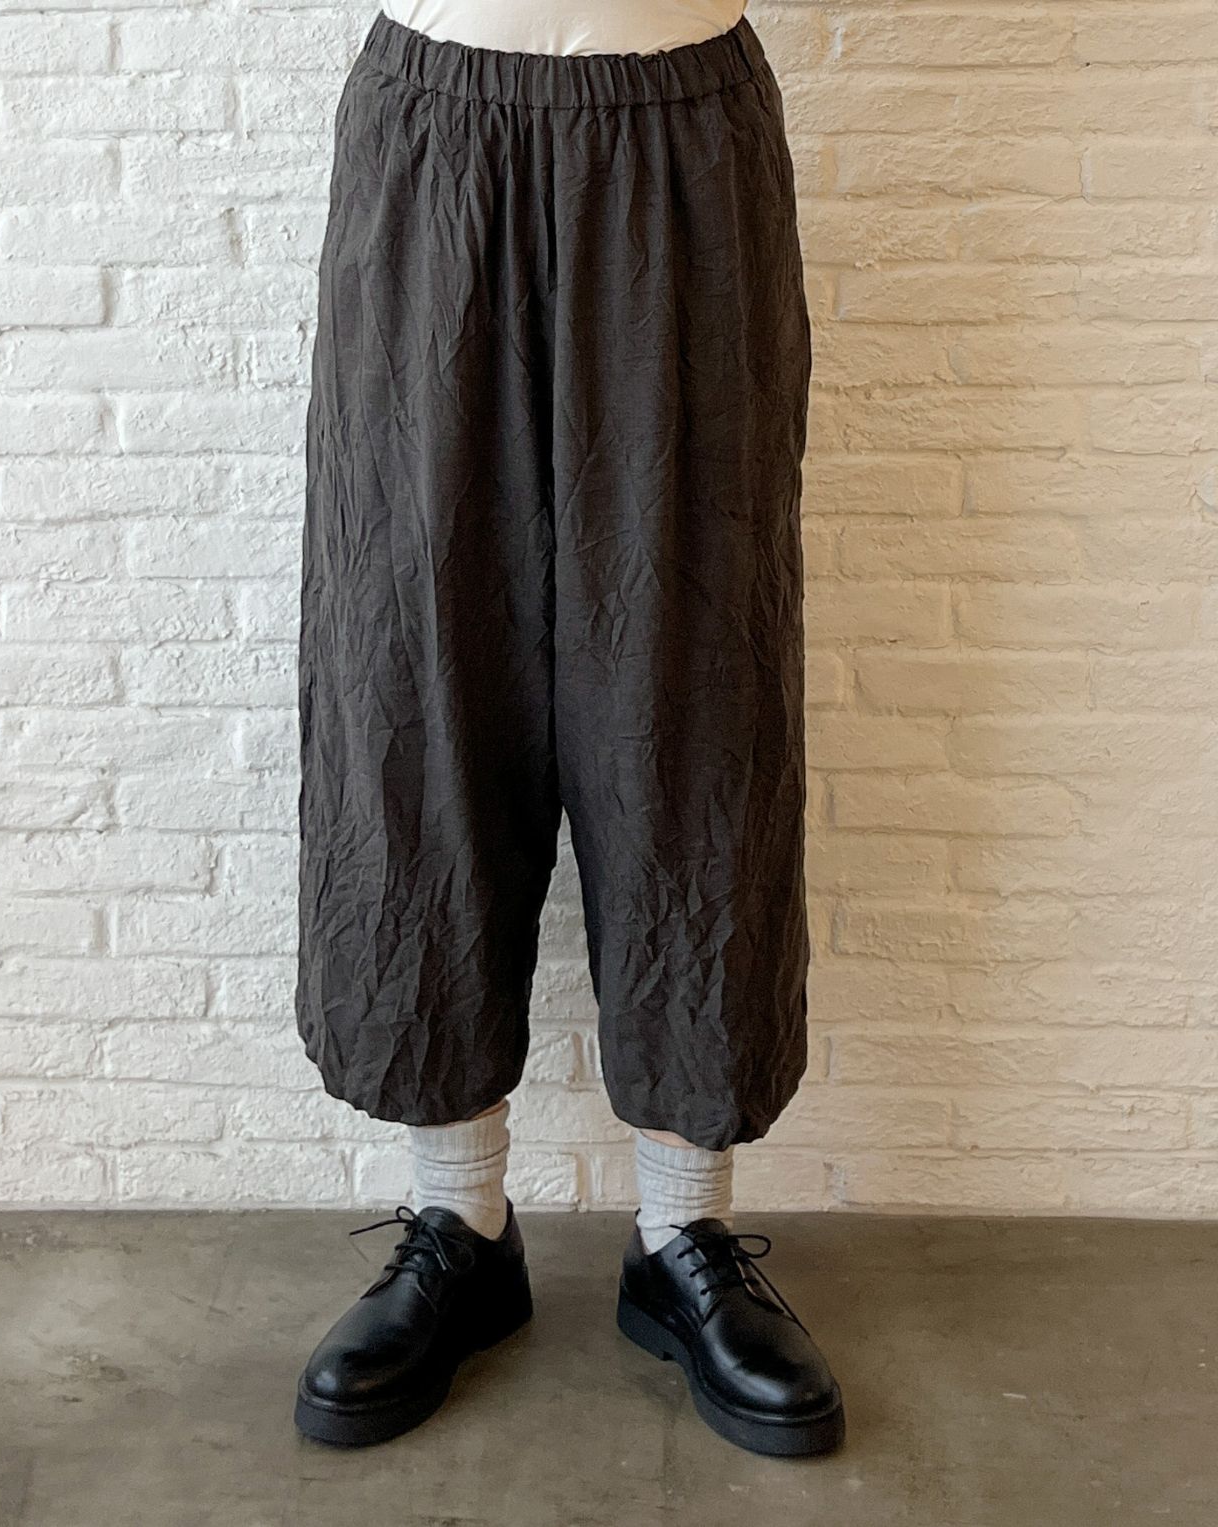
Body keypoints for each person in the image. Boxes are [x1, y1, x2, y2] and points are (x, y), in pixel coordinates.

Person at [292, 0, 844, 1457]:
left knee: (695, 687)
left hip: (683, 131)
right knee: (416, 672)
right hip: (433, 133)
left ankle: (681, 1240)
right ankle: (458, 1224)